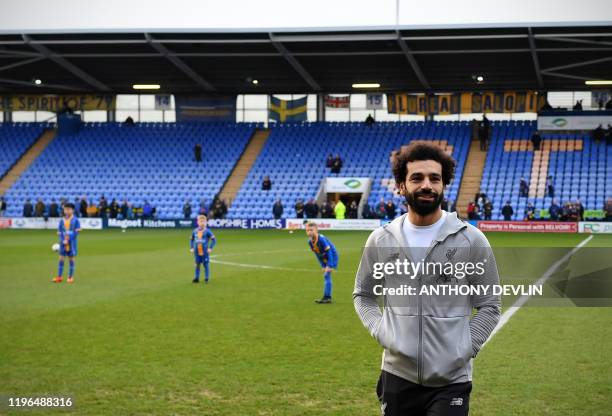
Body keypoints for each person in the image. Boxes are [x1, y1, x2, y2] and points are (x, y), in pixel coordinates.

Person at [353, 141, 500, 415]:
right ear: (401, 186)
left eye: (435, 178)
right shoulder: (381, 239)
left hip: (451, 380)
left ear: (444, 185)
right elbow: (363, 295)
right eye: (416, 178)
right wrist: (380, 329)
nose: (426, 185)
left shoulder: (471, 240)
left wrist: (465, 346)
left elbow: (490, 304)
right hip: (397, 375)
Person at [306, 222, 338, 304]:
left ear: (316, 230)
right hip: (324, 257)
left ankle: (327, 297)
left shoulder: (321, 239)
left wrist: (330, 265)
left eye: (311, 230)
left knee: (327, 275)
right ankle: (327, 297)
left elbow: (330, 252)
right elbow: (317, 254)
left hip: (332, 256)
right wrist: (323, 265)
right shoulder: (310, 242)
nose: (309, 232)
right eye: (307, 230)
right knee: (326, 276)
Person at [52, 203, 81, 284]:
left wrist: (68, 240)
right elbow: (60, 232)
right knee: (61, 259)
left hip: (71, 244)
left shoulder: (76, 220)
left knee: (71, 259)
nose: (67, 211)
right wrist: (62, 240)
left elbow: (76, 232)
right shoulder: (62, 220)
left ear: (72, 210)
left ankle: (70, 277)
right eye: (65, 209)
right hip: (63, 243)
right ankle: (59, 277)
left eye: (69, 209)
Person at [189, 214, 216, 283]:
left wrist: (210, 248)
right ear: (198, 222)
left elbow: (214, 240)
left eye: (204, 221)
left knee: (205, 264)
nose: (202, 223)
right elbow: (191, 239)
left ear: (206, 222)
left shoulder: (208, 231)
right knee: (197, 264)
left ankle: (206, 278)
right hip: (196, 251)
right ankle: (196, 278)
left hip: (204, 251)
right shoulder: (195, 231)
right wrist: (191, 247)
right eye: (201, 221)